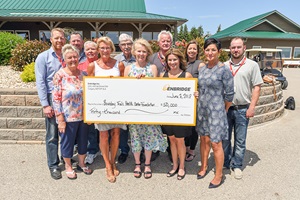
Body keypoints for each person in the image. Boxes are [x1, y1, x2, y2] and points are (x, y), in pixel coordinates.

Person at [124, 38, 168, 179]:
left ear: (147, 52)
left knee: (149, 137)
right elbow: (123, 89)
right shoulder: (128, 68)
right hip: (134, 110)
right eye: (139, 51)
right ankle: (137, 163)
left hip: (149, 110)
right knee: (135, 137)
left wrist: (146, 81)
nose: (141, 54)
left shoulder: (152, 68)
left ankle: (147, 164)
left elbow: (155, 89)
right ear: (134, 52)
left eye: (144, 51)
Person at [222, 37, 263, 179]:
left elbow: (257, 87)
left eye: (238, 47)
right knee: (225, 139)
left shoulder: (252, 65)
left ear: (244, 48)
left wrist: (252, 107)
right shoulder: (224, 66)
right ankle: (226, 163)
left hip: (242, 109)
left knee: (240, 140)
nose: (236, 50)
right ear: (230, 48)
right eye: (233, 47)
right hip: (226, 109)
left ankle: (237, 165)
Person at [87, 36, 126, 183]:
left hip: (117, 106)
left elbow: (124, 85)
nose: (105, 50)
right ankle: (107, 165)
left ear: (112, 49)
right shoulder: (93, 66)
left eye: (107, 47)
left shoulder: (119, 65)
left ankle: (113, 160)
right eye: (102, 48)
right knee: (103, 135)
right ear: (98, 50)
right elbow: (88, 88)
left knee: (116, 134)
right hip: (100, 107)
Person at [196, 38, 234, 188]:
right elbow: (202, 88)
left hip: (216, 111)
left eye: (213, 50)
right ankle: (204, 166)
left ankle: (219, 175)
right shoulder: (202, 68)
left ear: (219, 52)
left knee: (216, 143)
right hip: (203, 110)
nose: (210, 53)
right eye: (207, 50)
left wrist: (223, 109)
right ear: (204, 51)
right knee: (204, 140)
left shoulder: (224, 70)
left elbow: (230, 95)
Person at [52, 44, 92, 179]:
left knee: (82, 140)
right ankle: (68, 165)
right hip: (68, 116)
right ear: (65, 59)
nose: (73, 59)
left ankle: (81, 163)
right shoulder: (60, 75)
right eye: (70, 58)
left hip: (83, 115)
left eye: (75, 57)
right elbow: (56, 98)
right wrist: (60, 118)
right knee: (67, 141)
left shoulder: (83, 75)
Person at [35, 28, 66, 180]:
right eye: (56, 38)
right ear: (51, 40)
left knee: (65, 131)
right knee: (52, 135)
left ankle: (65, 157)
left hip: (67, 99)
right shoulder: (43, 57)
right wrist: (45, 104)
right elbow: (40, 82)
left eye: (62, 38)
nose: (59, 40)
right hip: (51, 98)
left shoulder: (67, 56)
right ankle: (53, 165)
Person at [161, 48, 193, 180]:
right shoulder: (163, 75)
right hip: (168, 115)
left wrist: (195, 94)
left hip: (181, 115)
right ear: (167, 62)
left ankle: (181, 167)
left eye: (175, 59)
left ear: (180, 60)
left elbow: (192, 95)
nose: (172, 62)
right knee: (171, 140)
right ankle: (174, 165)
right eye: (170, 60)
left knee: (180, 141)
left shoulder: (187, 76)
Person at [149, 30, 173, 161]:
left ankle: (171, 149)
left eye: (168, 40)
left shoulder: (175, 56)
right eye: (163, 40)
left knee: (170, 125)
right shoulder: (152, 58)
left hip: (171, 97)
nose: (165, 43)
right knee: (155, 125)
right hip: (155, 97)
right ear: (159, 42)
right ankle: (155, 149)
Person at [77, 41, 100, 165]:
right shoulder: (79, 66)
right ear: (84, 51)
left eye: (93, 49)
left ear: (97, 51)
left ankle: (101, 149)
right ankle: (91, 151)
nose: (90, 51)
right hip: (86, 102)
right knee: (90, 129)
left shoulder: (102, 64)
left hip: (101, 101)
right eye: (88, 49)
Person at [114, 33, 136, 164]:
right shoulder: (116, 60)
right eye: (124, 44)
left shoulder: (138, 58)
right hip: (121, 97)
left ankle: (139, 150)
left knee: (136, 126)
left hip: (136, 97)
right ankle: (124, 150)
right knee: (123, 128)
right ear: (120, 46)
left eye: (129, 43)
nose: (126, 46)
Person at [184, 40, 203, 162]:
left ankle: (191, 150)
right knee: (185, 126)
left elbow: (204, 82)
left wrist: (200, 92)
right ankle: (185, 148)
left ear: (197, 51)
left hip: (195, 100)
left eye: (194, 49)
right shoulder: (183, 63)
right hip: (184, 100)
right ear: (186, 50)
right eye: (190, 48)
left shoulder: (200, 64)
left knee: (194, 127)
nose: (192, 51)